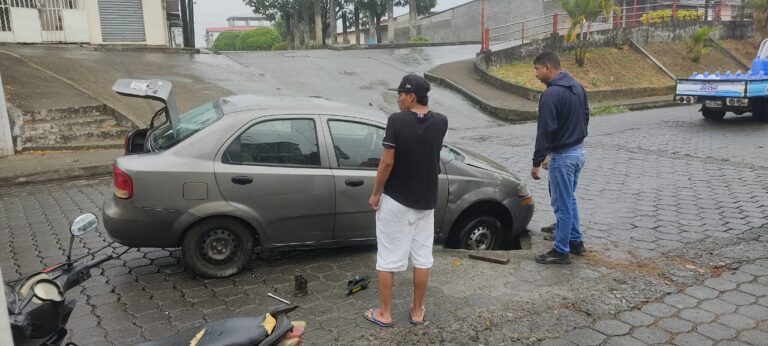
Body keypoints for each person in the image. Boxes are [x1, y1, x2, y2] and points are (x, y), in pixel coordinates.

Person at [363, 74, 448, 327]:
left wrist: (376, 193)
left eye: (400, 94)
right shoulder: (441, 122)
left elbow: (387, 162)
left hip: (397, 200)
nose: (397, 98)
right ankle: (418, 310)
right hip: (426, 203)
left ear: (411, 96)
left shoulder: (396, 121)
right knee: (422, 258)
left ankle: (385, 313)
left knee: (387, 258)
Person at [530, 51, 589, 265]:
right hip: (578, 151)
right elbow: (586, 116)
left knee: (562, 205)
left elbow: (545, 131)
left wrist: (537, 161)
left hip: (563, 157)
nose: (536, 74)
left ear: (547, 67)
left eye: (537, 69)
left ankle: (561, 250)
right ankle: (575, 242)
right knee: (569, 200)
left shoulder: (551, 95)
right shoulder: (577, 86)